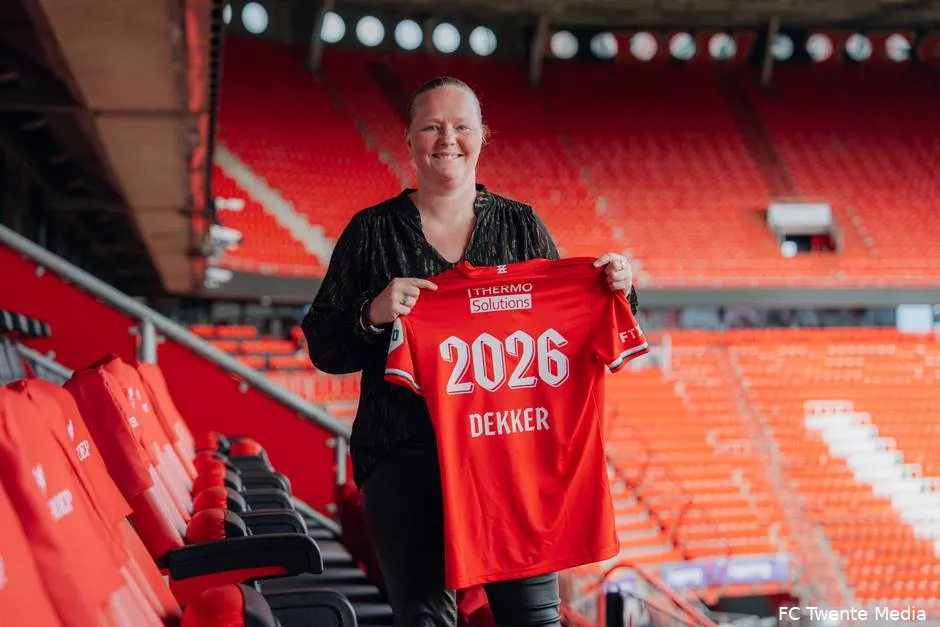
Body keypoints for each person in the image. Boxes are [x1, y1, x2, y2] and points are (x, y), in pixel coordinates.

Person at [303, 76, 639, 627]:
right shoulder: (371, 233)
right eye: (431, 126)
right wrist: (373, 313)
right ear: (408, 139)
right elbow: (324, 344)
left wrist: (616, 288)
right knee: (426, 619)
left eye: (461, 126)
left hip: (508, 459)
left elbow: (577, 332)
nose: (447, 139)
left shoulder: (521, 224)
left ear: (483, 135)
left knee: (532, 619)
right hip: (405, 456)